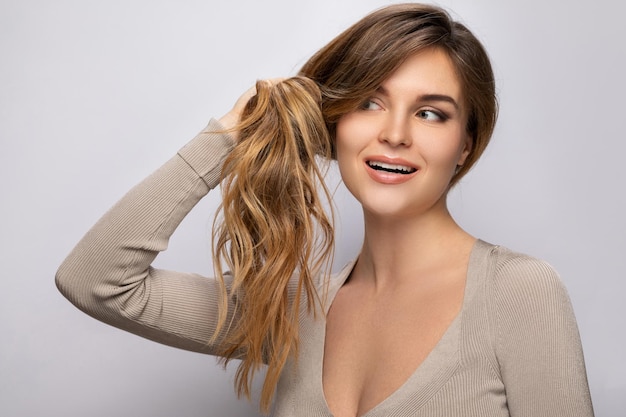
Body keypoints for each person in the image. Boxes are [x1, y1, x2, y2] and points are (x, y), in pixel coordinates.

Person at [55, 3, 594, 417]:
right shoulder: (291, 310)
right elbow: (95, 282)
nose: (395, 134)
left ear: (466, 146)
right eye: (369, 102)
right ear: (332, 123)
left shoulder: (518, 292)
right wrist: (227, 137)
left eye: (431, 113)